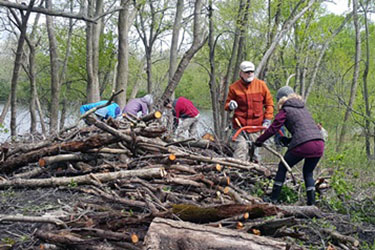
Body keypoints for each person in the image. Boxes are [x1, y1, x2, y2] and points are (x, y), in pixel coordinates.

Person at [254, 86, 325, 205]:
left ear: (280, 99)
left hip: (304, 144)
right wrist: (289, 141)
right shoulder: (303, 109)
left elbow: (273, 129)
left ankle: (274, 199)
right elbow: (305, 131)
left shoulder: (285, 110)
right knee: (308, 172)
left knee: (282, 167)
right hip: (319, 142)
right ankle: (311, 204)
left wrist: (259, 140)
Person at [224, 61, 274, 162]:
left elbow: (269, 104)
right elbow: (226, 105)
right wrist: (230, 105)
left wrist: (268, 119)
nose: (249, 74)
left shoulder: (261, 85)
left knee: (255, 155)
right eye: (247, 72)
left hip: (257, 128)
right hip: (240, 128)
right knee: (240, 150)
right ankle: (236, 172)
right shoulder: (234, 88)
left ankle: (255, 174)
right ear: (241, 73)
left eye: (251, 71)